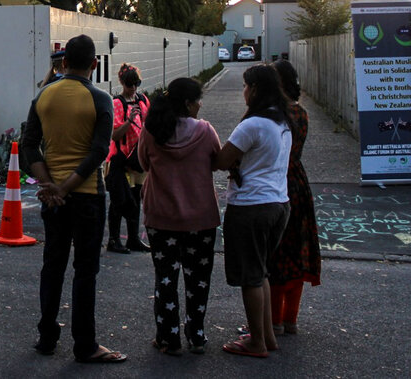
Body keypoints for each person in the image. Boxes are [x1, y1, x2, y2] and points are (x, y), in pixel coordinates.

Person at [21, 34, 126, 364]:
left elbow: (28, 145)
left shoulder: (44, 96)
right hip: (86, 196)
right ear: (94, 64)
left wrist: (50, 185)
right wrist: (66, 188)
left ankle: (46, 337)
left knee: (52, 266)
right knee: (85, 270)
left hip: (53, 199)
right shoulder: (101, 99)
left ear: (64, 62)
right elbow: (98, 152)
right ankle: (85, 345)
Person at [137, 78, 221, 356]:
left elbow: (143, 163)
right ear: (187, 103)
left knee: (165, 277)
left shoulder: (153, 131)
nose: (200, 105)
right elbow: (218, 162)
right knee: (198, 278)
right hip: (201, 218)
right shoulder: (206, 131)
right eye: (198, 100)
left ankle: (168, 338)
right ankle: (196, 335)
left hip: (161, 217)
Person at [214, 64, 291, 359]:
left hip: (251, 206)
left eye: (246, 86)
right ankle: (267, 336)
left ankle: (256, 342)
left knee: (250, 277)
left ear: (256, 89)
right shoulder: (281, 122)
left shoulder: (253, 125)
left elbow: (222, 160)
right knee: (261, 272)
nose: (243, 91)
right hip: (278, 203)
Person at [269, 59, 321, 335]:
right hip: (299, 182)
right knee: (297, 250)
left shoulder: (273, 114)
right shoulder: (301, 113)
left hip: (277, 182)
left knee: (276, 252)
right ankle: (290, 319)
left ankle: (273, 320)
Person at [106, 63, 150, 253]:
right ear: (122, 82)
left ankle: (133, 239)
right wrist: (129, 120)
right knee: (119, 200)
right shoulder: (117, 103)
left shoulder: (142, 100)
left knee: (135, 199)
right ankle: (114, 240)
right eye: (129, 84)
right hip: (120, 160)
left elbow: (149, 124)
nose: (133, 88)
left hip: (137, 160)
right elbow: (114, 135)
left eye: (136, 83)